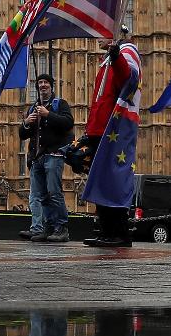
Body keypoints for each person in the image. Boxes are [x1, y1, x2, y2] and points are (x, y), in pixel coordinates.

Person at [79, 28, 142, 247]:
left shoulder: (126, 53)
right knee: (102, 182)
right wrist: (89, 132)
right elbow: (100, 101)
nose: (98, 38)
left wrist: (115, 54)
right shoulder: (106, 62)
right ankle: (106, 231)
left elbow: (129, 77)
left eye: (103, 34)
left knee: (112, 181)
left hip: (112, 128)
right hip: (100, 128)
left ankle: (120, 234)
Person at [18, 73, 73, 243]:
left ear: (51, 86)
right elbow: (22, 135)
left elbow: (68, 123)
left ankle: (61, 228)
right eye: (40, 83)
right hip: (37, 157)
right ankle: (45, 229)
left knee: (54, 193)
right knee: (40, 195)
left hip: (54, 155)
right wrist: (27, 122)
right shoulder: (33, 108)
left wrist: (48, 114)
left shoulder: (59, 104)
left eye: (46, 83)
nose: (42, 85)